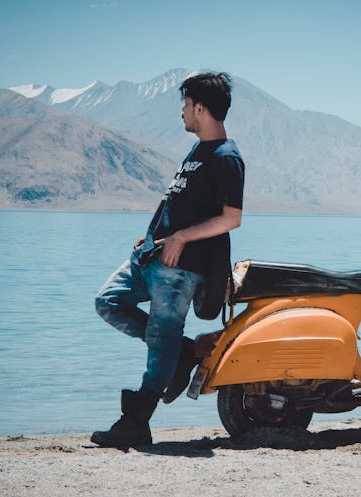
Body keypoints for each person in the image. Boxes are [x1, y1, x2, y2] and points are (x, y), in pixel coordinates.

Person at [91, 72, 245, 448]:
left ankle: (135, 423)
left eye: (186, 105)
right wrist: (157, 234)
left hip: (181, 269)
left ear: (200, 108)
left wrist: (180, 237)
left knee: (162, 341)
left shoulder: (227, 157)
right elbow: (182, 204)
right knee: (109, 302)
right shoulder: (197, 151)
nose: (181, 112)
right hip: (153, 255)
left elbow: (231, 218)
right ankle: (184, 352)